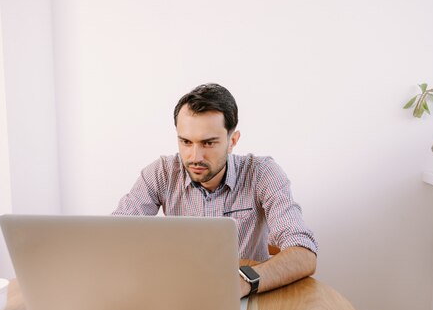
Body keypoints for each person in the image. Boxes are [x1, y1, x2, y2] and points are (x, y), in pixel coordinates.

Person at [112, 83, 318, 297]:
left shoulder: (262, 174)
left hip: (246, 299)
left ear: (232, 141)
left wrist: (244, 281)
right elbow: (113, 239)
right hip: (178, 295)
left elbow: (304, 254)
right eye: (186, 142)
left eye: (208, 143)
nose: (195, 157)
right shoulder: (161, 173)